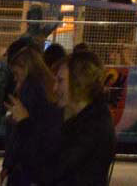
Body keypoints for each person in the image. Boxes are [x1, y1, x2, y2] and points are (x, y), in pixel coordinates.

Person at [40, 49, 115, 184]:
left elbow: (52, 170)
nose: (54, 88)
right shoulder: (82, 117)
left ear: (78, 82)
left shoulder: (93, 126)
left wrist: (25, 124)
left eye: (60, 81)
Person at [2, 43, 63, 186]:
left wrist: (8, 163)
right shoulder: (46, 87)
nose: (15, 79)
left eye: (16, 74)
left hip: (25, 165)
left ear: (25, 68)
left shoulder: (29, 88)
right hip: (41, 163)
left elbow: (19, 132)